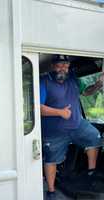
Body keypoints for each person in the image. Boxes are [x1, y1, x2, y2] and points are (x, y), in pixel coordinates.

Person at [40, 55, 103, 200]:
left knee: (95, 137)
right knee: (51, 159)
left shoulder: (73, 78)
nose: (63, 68)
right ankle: (51, 191)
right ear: (52, 66)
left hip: (77, 125)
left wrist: (98, 85)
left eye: (66, 65)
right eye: (59, 65)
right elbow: (38, 107)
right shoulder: (44, 81)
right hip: (54, 131)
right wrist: (59, 112)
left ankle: (91, 173)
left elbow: (86, 92)